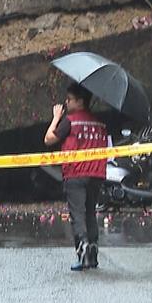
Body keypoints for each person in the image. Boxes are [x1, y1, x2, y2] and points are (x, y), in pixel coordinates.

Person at [44, 83, 109, 271]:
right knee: (90, 213)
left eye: (70, 99)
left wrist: (56, 118)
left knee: (77, 215)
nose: (66, 102)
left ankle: (83, 251)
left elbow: (48, 139)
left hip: (75, 174)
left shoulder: (70, 121)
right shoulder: (100, 123)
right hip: (96, 174)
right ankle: (93, 254)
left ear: (80, 101)